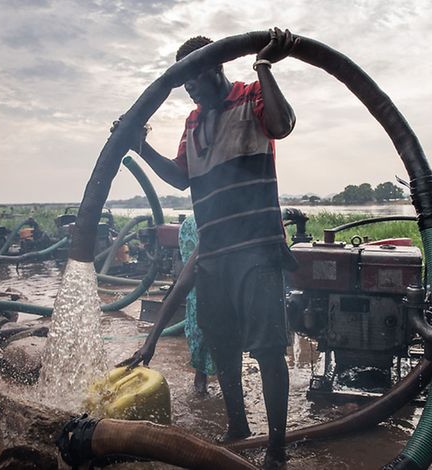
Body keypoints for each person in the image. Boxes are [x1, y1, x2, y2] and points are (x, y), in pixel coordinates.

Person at [119, 28, 298, 469]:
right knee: (223, 346)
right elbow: (181, 176)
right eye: (184, 85)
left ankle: (276, 449)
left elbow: (283, 124)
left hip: (256, 249)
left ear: (216, 66)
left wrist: (263, 64)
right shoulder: (193, 122)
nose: (191, 90)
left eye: (195, 80)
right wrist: (138, 144)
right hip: (215, 252)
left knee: (269, 350)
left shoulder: (252, 97)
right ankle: (238, 426)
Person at [178, 214, 216, 394]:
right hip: (209, 290)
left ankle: (200, 390)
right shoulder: (193, 225)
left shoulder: (188, 224)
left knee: (200, 334)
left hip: (198, 292)